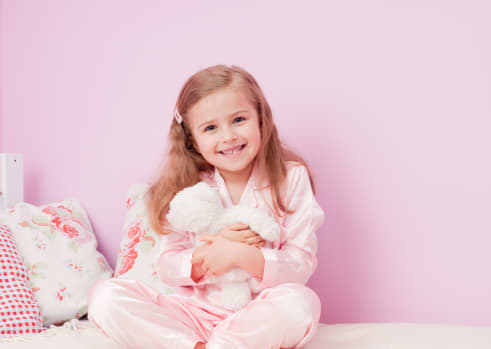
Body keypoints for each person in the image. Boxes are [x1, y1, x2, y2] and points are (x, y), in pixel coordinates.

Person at [87, 65, 325, 349]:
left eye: (238, 120)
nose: (228, 137)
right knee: (105, 298)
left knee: (301, 304)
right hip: (193, 315)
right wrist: (209, 256)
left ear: (261, 119)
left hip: (259, 313)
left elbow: (300, 263)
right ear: (194, 142)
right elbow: (168, 265)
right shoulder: (188, 187)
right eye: (211, 128)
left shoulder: (291, 177)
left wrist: (240, 255)